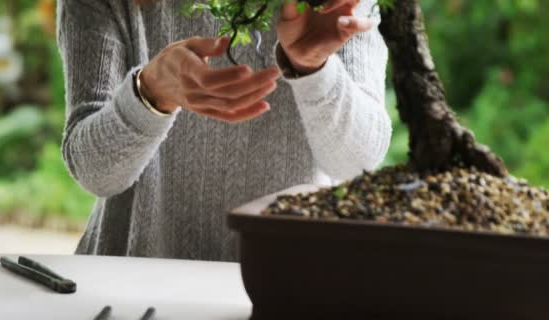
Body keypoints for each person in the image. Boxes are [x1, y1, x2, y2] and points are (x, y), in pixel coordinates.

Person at [57, 0, 391, 261]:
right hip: (135, 285)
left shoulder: (331, 5)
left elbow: (357, 162)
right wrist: (151, 91)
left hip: (288, 284)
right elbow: (95, 172)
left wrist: (314, 65)